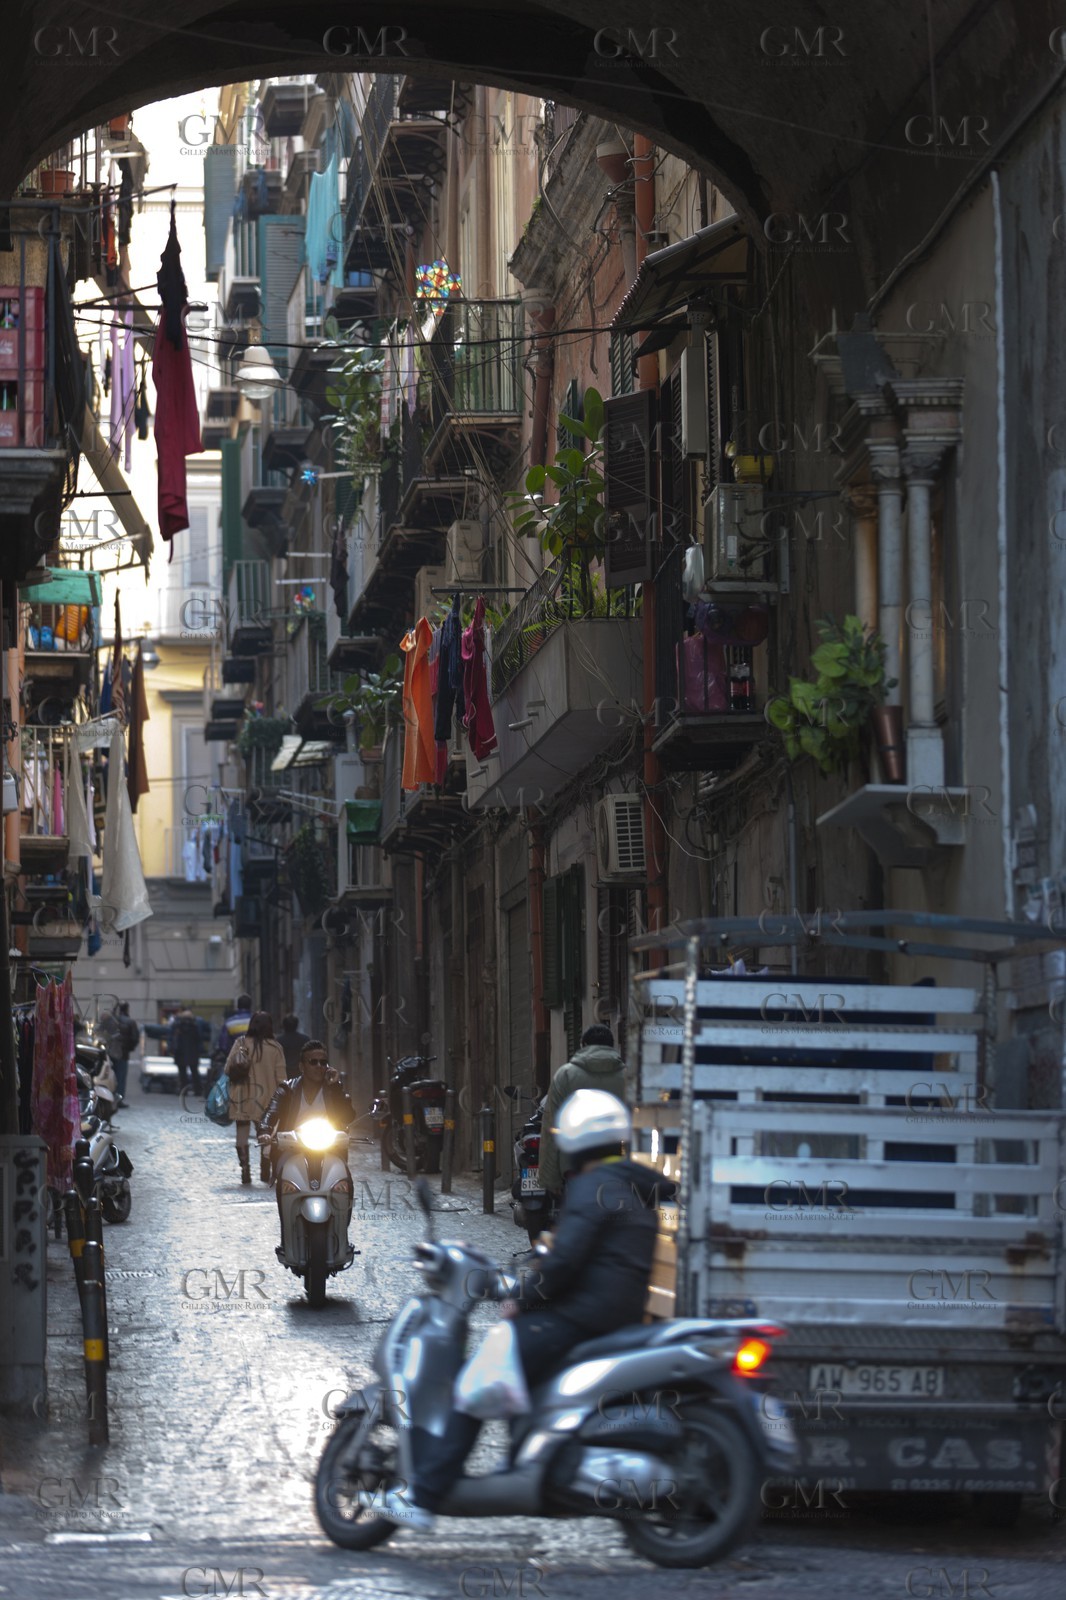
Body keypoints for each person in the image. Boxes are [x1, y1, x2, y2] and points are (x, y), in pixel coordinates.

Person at [365, 1088, 674, 1529]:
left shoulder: (592, 1188)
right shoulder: (632, 1185)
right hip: (611, 1315)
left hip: (580, 1318)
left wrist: (523, 1299)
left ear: (573, 1140)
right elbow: (582, 1256)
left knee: (475, 1384)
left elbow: (565, 1264)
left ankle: (425, 1492)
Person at [259, 1040, 356, 1213]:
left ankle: (343, 1229)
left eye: (323, 1062)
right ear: (302, 1066)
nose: (319, 1066)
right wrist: (265, 1131)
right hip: (292, 1147)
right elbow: (270, 1112)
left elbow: (348, 1116)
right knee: (283, 1180)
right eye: (313, 1062)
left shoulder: (333, 1089)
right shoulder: (287, 1089)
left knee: (345, 1180)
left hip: (330, 1147)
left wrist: (335, 1088)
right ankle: (286, 1233)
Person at [536, 1024, 627, 1198]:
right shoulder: (628, 1076)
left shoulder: (565, 1075)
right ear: (612, 1045)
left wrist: (550, 1179)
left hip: (575, 1166)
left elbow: (552, 1128)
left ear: (583, 1045)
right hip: (619, 1166)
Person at [227, 1011, 287, 1186]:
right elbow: (282, 1079)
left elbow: (227, 1069)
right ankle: (265, 1169)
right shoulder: (275, 1048)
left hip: (241, 1098)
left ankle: (245, 1169)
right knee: (266, 1132)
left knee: (242, 1134)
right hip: (266, 1099)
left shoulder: (240, 1043)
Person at [209, 992, 253, 1089]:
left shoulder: (230, 1022)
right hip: (255, 1059)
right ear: (250, 1005)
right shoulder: (256, 1020)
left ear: (237, 1006)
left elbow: (223, 1045)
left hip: (236, 1061)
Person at [100, 1002, 140, 1109]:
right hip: (122, 1052)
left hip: (109, 1052)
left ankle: (108, 1098)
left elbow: (100, 1033)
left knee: (109, 1076)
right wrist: (128, 1048)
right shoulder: (130, 1022)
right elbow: (135, 1038)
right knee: (121, 1078)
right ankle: (118, 1100)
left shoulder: (108, 1020)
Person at [171, 1007, 203, 1096]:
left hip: (181, 1052)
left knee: (182, 1074)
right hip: (193, 1053)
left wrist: (173, 1050)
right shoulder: (195, 1026)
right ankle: (198, 1090)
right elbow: (199, 1039)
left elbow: (173, 1039)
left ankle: (183, 1090)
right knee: (195, 1072)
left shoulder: (177, 1026)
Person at [277, 1012, 310, 1077]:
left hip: (284, 1073)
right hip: (301, 1073)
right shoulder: (305, 1039)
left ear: (284, 1025)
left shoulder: (278, 1041)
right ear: (296, 1025)